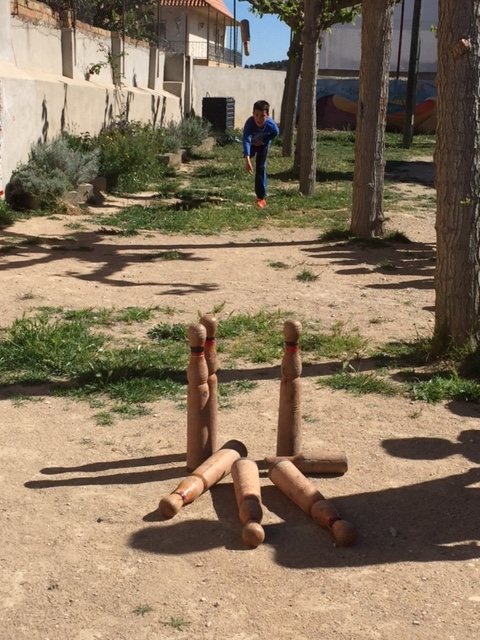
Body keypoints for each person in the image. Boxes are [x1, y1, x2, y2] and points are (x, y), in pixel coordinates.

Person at [242, 100, 279, 208]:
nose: (259, 119)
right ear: (253, 113)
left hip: (263, 145)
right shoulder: (249, 123)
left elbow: (276, 133)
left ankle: (261, 198)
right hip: (252, 144)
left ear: (267, 115)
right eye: (256, 115)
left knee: (260, 167)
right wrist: (247, 160)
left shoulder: (271, 125)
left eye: (262, 116)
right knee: (248, 156)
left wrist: (264, 141)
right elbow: (246, 140)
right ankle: (248, 158)